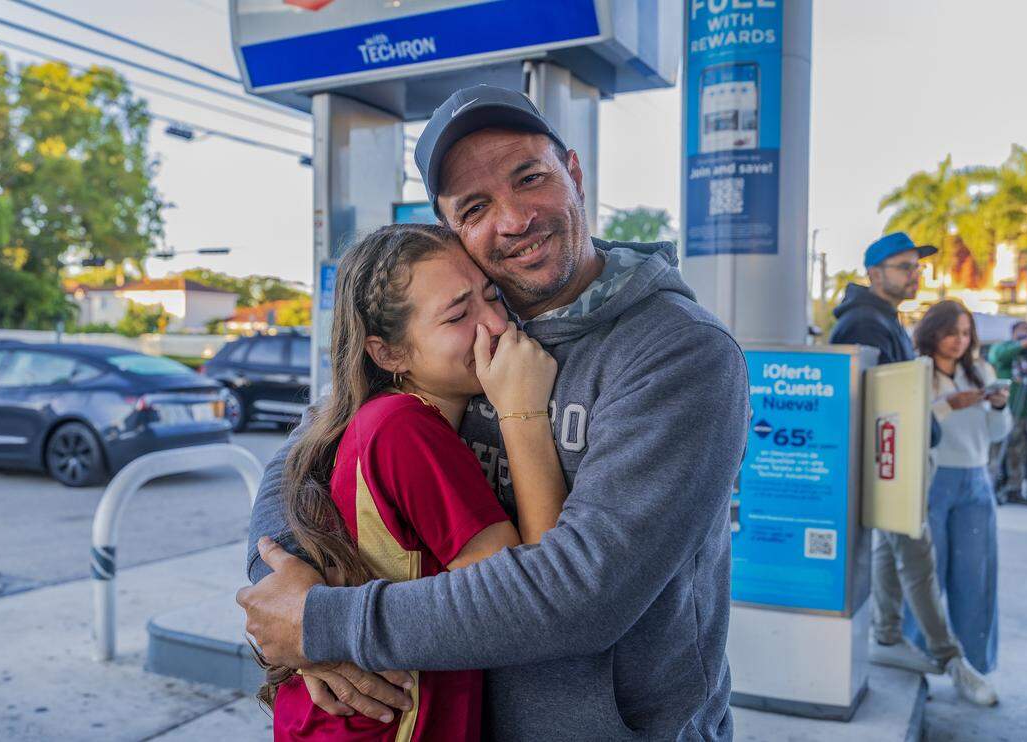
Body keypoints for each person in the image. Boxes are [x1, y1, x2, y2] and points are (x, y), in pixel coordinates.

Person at [238, 84, 749, 740]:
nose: (513, 220)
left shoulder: (678, 352)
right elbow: (300, 462)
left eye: (530, 178)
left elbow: (582, 596)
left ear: (574, 174)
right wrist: (287, 589)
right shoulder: (445, 344)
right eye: (475, 207)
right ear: (452, 230)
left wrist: (328, 624)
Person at [265, 222, 567, 739]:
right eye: (458, 315)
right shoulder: (406, 428)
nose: (496, 324)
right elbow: (528, 593)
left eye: (492, 296)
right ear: (389, 354)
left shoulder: (381, 418)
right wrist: (524, 412)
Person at [829, 232, 997, 706]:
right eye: (904, 267)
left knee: (892, 551)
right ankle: (952, 660)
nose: (914, 275)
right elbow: (870, 406)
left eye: (916, 267)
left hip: (897, 461)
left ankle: (886, 635)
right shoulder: (865, 323)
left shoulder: (885, 319)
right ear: (874, 273)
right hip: (889, 464)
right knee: (919, 560)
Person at [907, 300, 1008, 681]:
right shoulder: (917, 371)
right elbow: (910, 424)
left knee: (975, 575)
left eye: (965, 333)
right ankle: (918, 659)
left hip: (976, 478)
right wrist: (947, 405)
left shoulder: (982, 371)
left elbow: (997, 434)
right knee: (926, 575)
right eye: (951, 332)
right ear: (933, 332)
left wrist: (999, 407)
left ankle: (975, 664)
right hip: (931, 478)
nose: (959, 341)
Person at [986, 320, 1027, 505]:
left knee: (1018, 451)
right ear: (1013, 332)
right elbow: (998, 356)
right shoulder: (1004, 348)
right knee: (997, 449)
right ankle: (991, 486)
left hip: (1022, 413)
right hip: (1003, 409)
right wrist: (1026, 342)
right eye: (1024, 330)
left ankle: (1014, 489)